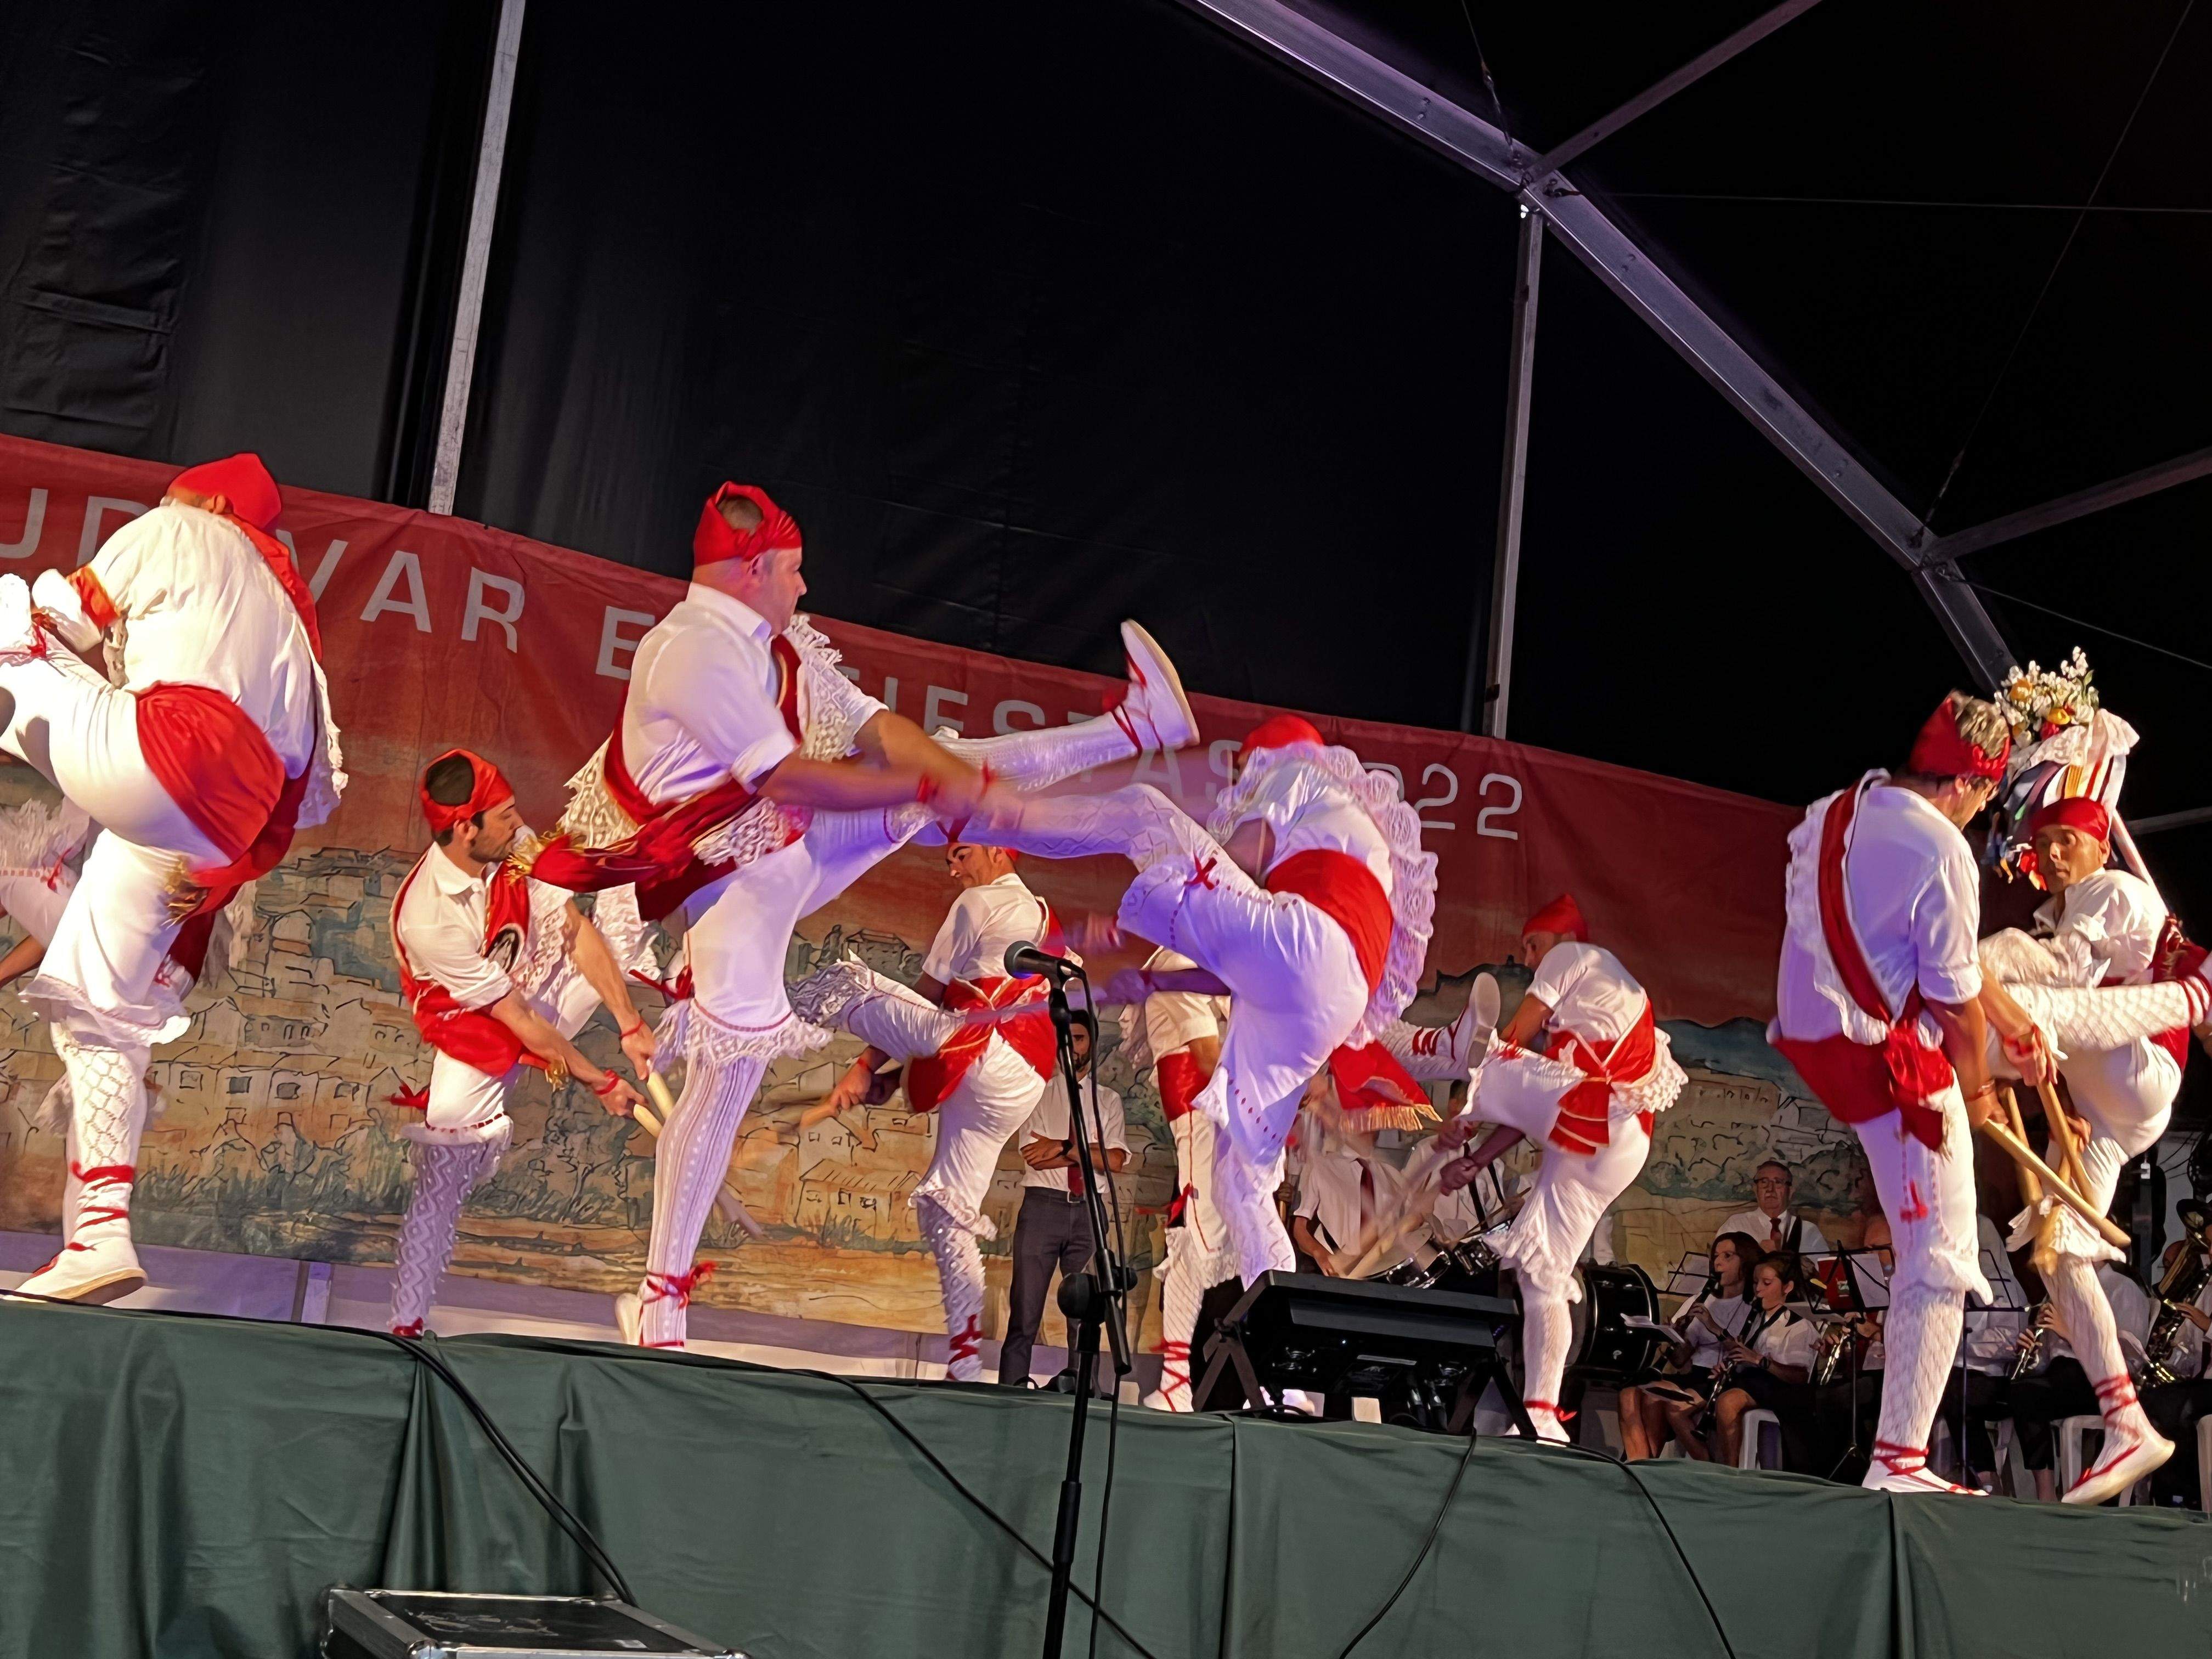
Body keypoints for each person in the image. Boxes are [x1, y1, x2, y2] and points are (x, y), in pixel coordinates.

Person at [526, 482, 1197, 1350]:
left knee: (954, 776)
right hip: (720, 869)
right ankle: (662, 1306)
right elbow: (790, 779)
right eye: (796, 572)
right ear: (756, 567)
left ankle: (1136, 730)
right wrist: (936, 788)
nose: (806, 589)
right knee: (722, 1067)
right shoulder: (692, 651)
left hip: (779, 845)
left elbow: (884, 734)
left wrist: (953, 782)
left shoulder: (783, 646)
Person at [0, 453, 342, 1304]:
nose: (162, 500)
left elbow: (64, 618)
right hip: (213, 825)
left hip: (164, 755)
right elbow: (297, 795)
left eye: (176, 493)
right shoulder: (295, 636)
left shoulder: (176, 531)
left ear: (210, 502)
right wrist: (225, 872)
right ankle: (100, 1238)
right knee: (96, 1012)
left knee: (10, 611)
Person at [956, 713, 1436, 1297]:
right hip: (1323, 997)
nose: (1236, 783)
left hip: (1310, 945)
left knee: (1142, 812)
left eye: (1241, 768)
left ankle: (984, 815)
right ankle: (1280, 1364)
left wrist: (1170, 896)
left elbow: (1236, 859)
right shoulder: (1344, 826)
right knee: (1243, 1181)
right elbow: (1249, 964)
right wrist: (1158, 982)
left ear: (1267, 754)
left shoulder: (1297, 774)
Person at [1768, 694, 2023, 1494]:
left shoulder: (1844, 805)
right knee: (1941, 1256)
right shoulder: (1944, 848)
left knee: (1926, 1248)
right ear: (1971, 784)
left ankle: (1898, 1459)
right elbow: (1952, 996)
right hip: (1882, 1060)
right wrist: (1979, 1088)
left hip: (1815, 1041)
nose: (1984, 813)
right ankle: (1900, 1462)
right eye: (1988, 797)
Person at [1974, 793, 2211, 1501]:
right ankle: (2126, 1418)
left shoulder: (2110, 889)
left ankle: (2201, 995)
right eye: (2041, 842)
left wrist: (1986, 961)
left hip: (2141, 1070)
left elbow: (2070, 978)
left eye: (2065, 840)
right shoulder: (2065, 909)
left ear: (2100, 846)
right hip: (2108, 1108)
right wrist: (2062, 1114)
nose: (2050, 854)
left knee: (2024, 1003)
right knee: (2059, 1253)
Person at [385, 749, 652, 1336]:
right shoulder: (426, 918)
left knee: (620, 945)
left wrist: (630, 1024)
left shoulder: (511, 842)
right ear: (464, 828)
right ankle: (407, 1324)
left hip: (537, 980)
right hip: (475, 1024)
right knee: (445, 1163)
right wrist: (600, 1080)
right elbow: (518, 1019)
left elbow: (574, 931)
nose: (518, 822)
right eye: (502, 815)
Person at [792, 840, 1073, 1380]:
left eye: (962, 853)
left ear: (996, 851)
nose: (951, 866)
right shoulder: (1043, 915)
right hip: (1020, 1081)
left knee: (847, 982)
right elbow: (939, 1024)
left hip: (985, 1046)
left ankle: (751, 1014)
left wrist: (864, 1067)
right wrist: (894, 1078)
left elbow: (929, 992)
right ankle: (965, 1360)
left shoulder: (977, 904)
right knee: (947, 1206)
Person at [1431, 893, 1687, 1442]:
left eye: (1532, 944)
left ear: (1559, 937)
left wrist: (1471, 1105)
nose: (1526, 958)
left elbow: (1518, 1036)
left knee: (1493, 1056)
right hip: (1613, 1138)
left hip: (1600, 1111)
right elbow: (1542, 1107)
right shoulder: (1601, 1001)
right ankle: (1543, 1413)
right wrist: (1475, 1158)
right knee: (1541, 1273)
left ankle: (1431, 1048)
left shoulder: (1573, 957)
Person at [1124, 947, 1237, 1413]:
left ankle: (1178, 1380)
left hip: (1222, 1111)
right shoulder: (1177, 964)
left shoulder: (1215, 966)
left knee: (1219, 1241)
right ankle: (1176, 1379)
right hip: (1203, 1109)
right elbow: (1208, 1056)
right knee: (1205, 1240)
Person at [998, 1013, 1128, 1387]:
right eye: (1067, 1039)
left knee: (1086, 1315)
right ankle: (1010, 1392)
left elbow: (1116, 1161)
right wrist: (1087, 1153)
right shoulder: (1038, 1092)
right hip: (1043, 1207)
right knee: (1025, 1313)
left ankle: (1082, 1392)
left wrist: (1064, 1147)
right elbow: (1033, 1155)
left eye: (1080, 1038)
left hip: (1089, 1212)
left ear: (1092, 1043)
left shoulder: (1109, 1101)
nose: (1073, 1046)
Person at [2010, 1262, 2154, 1502]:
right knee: (2020, 1391)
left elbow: (2131, 1358)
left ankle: (2048, 1492)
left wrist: (2071, 1331)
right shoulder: (2064, 1290)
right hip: (2062, 1376)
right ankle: (2045, 1489)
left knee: (2030, 1394)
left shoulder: (2122, 1287)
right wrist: (2031, 1348)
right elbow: (2047, 1360)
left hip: (2102, 1381)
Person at [1621, 1229, 1761, 1460]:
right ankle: (1641, 1463)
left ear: (1745, 1262)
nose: (1718, 1262)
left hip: (1722, 1378)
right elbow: (1679, 1360)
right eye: (1716, 1256)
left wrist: (1712, 1325)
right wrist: (1673, 1337)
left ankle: (1702, 1465)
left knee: (1655, 1398)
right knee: (1630, 1394)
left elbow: (1742, 1351)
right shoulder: (1700, 1299)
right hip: (1694, 1374)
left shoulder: (1752, 1306)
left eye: (1728, 1256)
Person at [1707, 1253, 1819, 1466]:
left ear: (1787, 1287)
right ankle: (1711, 1461)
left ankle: (1730, 1471)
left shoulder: (1798, 1325)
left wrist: (1759, 1360)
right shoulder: (1757, 1318)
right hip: (1757, 1383)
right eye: (1756, 1283)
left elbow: (1799, 1377)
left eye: (1767, 1283)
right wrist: (1732, 1367)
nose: (1758, 1290)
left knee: (1729, 1401)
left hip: (1785, 1392)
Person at [2142, 1234, 2212, 1508]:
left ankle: (2187, 1494)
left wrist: (2207, 1324)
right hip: (2204, 1381)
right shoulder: (2206, 1287)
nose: (2208, 1251)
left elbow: (2206, 1330)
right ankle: (2168, 1495)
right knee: (2152, 1401)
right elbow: (2196, 1352)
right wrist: (2171, 1353)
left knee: (2177, 1407)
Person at [1713, 1159, 1831, 1257]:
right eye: (1764, 1182)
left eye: (1778, 1182)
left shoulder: (1809, 1232)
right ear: (1756, 1190)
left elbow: (1823, 1275)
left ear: (1790, 1191)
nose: (1770, 1189)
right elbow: (1719, 1265)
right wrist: (1757, 1254)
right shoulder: (1735, 1226)